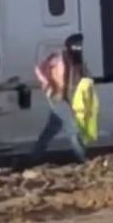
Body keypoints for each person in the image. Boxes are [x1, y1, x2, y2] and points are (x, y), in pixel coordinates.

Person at [31, 34, 96, 163]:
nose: (79, 47)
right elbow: (41, 70)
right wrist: (47, 85)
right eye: (77, 44)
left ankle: (33, 158)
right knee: (73, 130)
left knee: (50, 130)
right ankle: (84, 159)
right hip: (58, 98)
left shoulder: (75, 60)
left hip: (62, 98)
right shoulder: (59, 60)